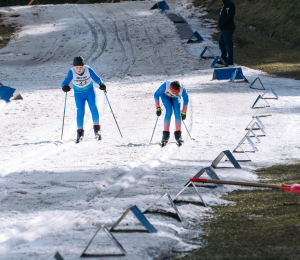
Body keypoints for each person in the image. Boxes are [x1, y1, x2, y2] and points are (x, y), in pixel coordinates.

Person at [61, 56, 106, 143]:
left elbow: (96, 78)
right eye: (77, 67)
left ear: (83, 66)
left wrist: (101, 84)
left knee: (93, 107)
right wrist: (64, 87)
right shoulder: (71, 72)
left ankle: (97, 130)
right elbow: (64, 83)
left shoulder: (88, 69)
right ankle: (80, 133)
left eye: (81, 67)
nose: (79, 69)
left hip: (90, 92)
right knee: (80, 111)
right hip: (78, 94)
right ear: (74, 67)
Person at [154, 80, 189, 146]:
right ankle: (165, 135)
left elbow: (186, 99)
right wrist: (158, 107)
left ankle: (178, 134)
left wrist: (184, 111)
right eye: (173, 92)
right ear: (170, 88)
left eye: (177, 92)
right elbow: (156, 95)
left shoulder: (182, 89)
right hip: (165, 97)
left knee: (177, 112)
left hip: (176, 99)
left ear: (179, 90)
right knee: (169, 110)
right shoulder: (165, 86)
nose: (174, 93)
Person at [218, 0, 235, 65]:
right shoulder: (225, 3)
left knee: (228, 44)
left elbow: (229, 17)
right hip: (224, 28)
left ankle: (230, 60)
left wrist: (222, 24)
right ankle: (223, 58)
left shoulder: (230, 4)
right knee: (221, 43)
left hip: (228, 28)